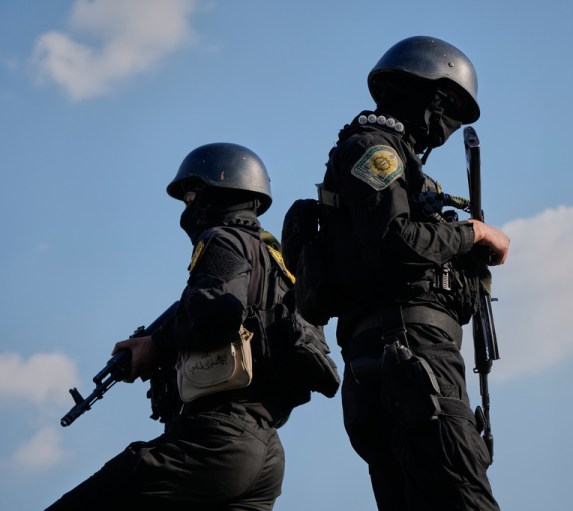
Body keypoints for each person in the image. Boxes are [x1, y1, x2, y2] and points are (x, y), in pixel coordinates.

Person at [314, 36, 509, 510]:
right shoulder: (375, 148)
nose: (448, 125)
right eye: (449, 107)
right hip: (410, 354)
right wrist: (473, 234)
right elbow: (395, 242)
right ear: (430, 96)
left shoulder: (397, 160)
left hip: (396, 360)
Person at [47, 142, 291, 511]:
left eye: (192, 195)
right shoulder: (275, 262)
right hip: (265, 453)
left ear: (220, 190)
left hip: (214, 439)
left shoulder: (224, 240)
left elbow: (216, 313)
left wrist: (156, 344)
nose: (187, 206)